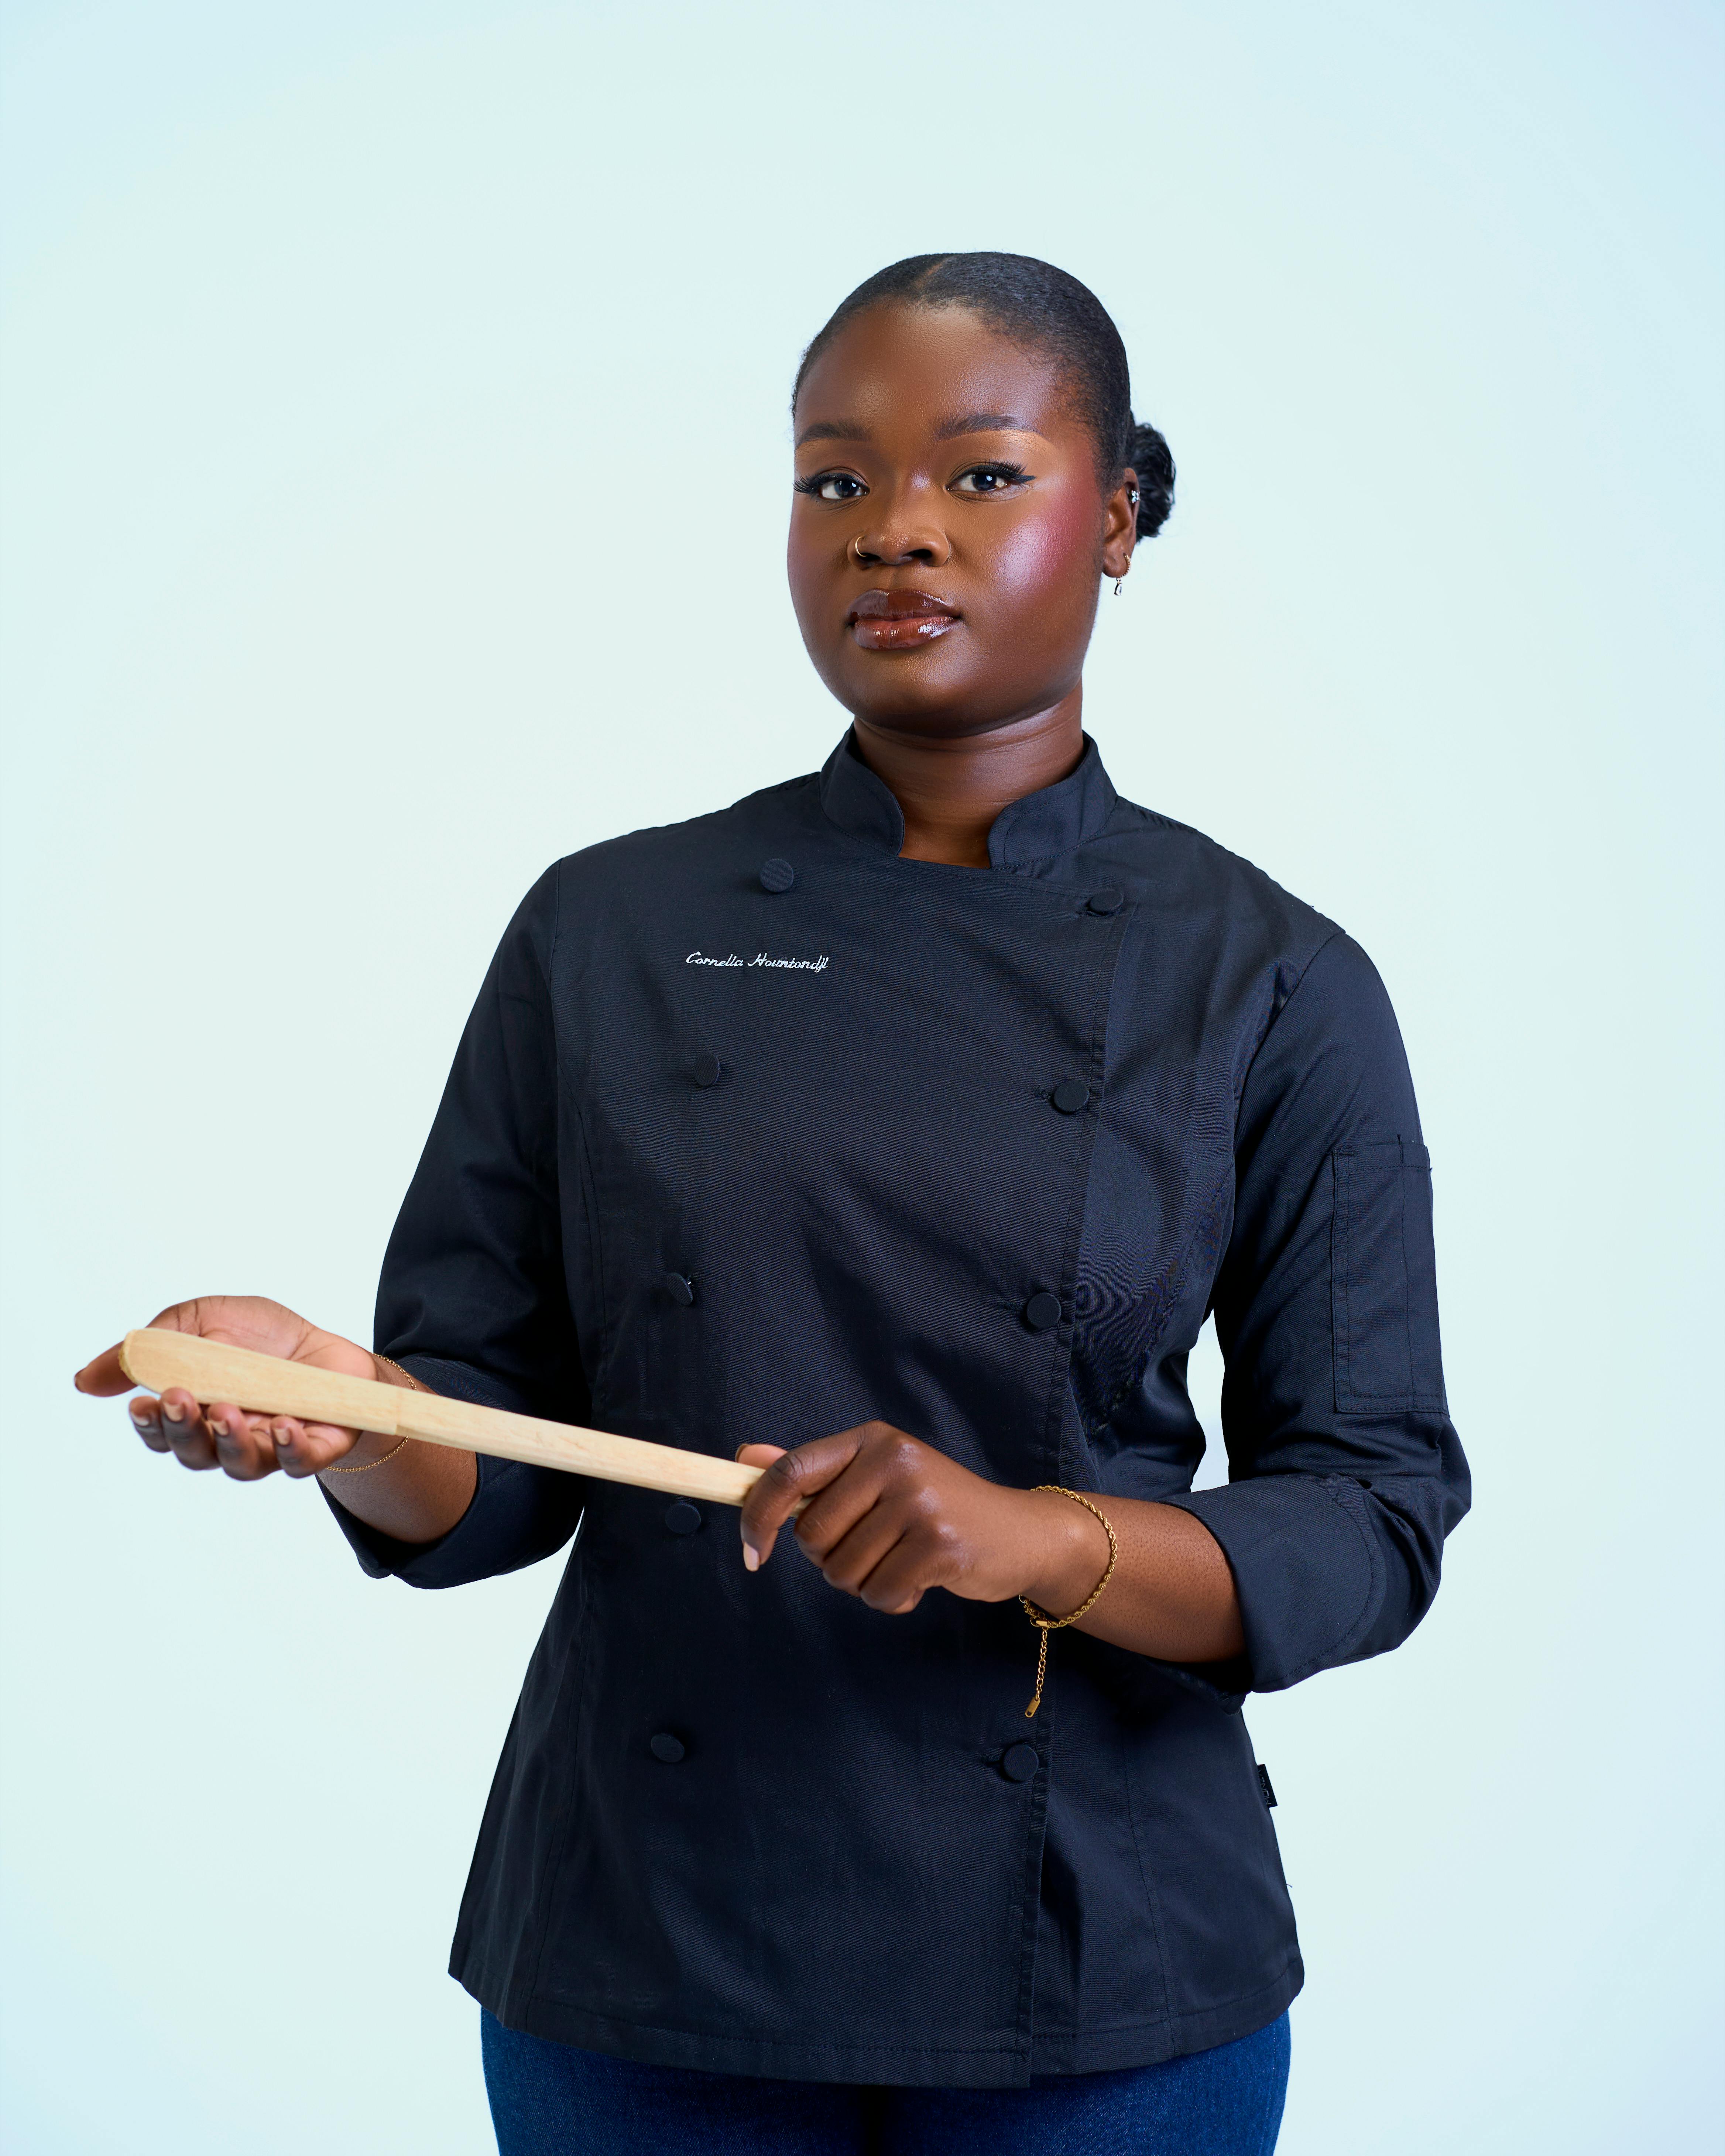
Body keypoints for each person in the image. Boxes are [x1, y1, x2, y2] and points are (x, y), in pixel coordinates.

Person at [76, 253, 1469, 2156]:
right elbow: (490, 1460)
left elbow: (1376, 1510)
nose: (896, 529)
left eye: (982, 476)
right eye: (834, 480)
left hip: (1100, 1959)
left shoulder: (1274, 978)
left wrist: (1036, 1537)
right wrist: (351, 1410)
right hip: (651, 1942)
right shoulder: (610, 928)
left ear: (1121, 516)